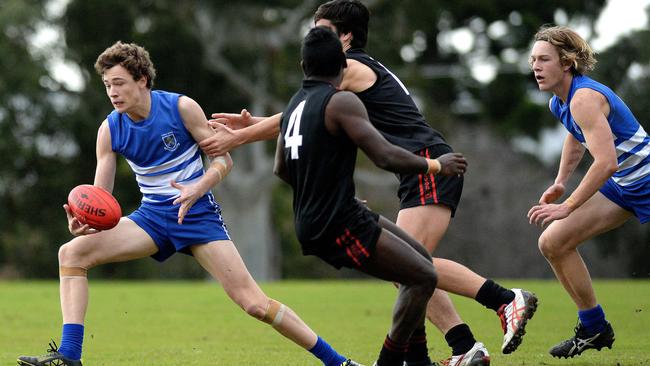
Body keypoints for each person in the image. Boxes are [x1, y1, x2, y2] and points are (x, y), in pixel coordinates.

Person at [199, 1, 537, 365]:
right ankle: (462, 346)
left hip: (427, 163)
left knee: (414, 268)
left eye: (324, 29)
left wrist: (242, 136)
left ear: (345, 36)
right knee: (409, 271)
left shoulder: (353, 65)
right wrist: (254, 126)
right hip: (416, 169)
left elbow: (307, 107)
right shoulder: (345, 75)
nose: (316, 36)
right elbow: (309, 111)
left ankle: (502, 300)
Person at [17, 41, 362, 366]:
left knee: (255, 304)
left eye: (120, 83)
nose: (113, 92)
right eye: (107, 85)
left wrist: (198, 187)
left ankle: (338, 362)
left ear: (142, 80)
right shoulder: (110, 130)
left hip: (197, 216)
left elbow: (223, 161)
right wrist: (84, 222)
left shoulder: (180, 107)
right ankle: (70, 354)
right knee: (72, 252)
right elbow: (101, 200)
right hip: (151, 219)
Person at [275, 25, 470, 366]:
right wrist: (436, 166)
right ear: (342, 65)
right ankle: (390, 362)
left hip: (330, 215)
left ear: (304, 66)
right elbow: (384, 155)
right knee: (423, 277)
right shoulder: (341, 101)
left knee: (419, 259)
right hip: (336, 222)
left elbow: (282, 168)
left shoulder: (295, 105)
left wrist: (323, 192)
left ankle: (419, 360)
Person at [528, 25, 649, 358]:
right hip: (625, 186)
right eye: (533, 59)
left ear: (567, 62)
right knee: (553, 242)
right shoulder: (560, 103)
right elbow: (576, 135)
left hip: (646, 180)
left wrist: (568, 205)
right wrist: (561, 180)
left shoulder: (583, 97)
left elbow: (606, 162)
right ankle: (594, 328)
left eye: (544, 59)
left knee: (557, 233)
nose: (535, 67)